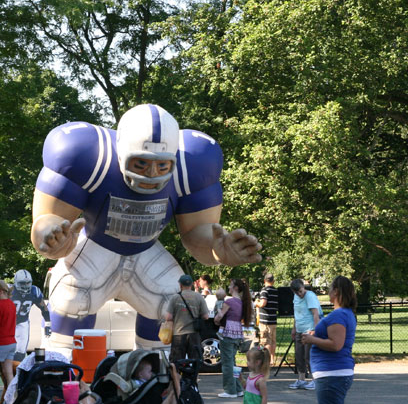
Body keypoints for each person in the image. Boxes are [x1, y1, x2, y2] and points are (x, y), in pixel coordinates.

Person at [30, 103, 262, 350]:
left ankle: (154, 373)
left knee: (169, 298)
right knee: (72, 296)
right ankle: (68, 370)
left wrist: (217, 249)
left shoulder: (193, 163)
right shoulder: (86, 153)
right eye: (141, 164)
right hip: (96, 246)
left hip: (145, 252)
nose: (152, 174)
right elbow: (46, 220)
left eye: (162, 166)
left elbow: (196, 233)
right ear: (121, 152)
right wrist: (53, 238)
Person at [301, 275, 357, 404]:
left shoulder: (338, 316)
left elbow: (336, 345)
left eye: (331, 288)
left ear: (337, 292)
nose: (328, 290)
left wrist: (311, 340)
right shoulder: (343, 314)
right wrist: (315, 335)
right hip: (334, 373)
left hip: (332, 374)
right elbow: (332, 338)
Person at [214, 278, 252, 398]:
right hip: (237, 332)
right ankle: (238, 388)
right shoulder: (241, 302)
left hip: (227, 332)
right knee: (233, 362)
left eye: (230, 286)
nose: (228, 288)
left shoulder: (229, 302)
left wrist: (216, 317)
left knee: (227, 362)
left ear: (235, 288)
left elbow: (219, 317)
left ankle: (230, 390)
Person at [165, 274, 209, 362]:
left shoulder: (175, 298)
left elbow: (168, 317)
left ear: (180, 285)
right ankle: (192, 376)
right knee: (195, 361)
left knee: (176, 362)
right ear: (192, 284)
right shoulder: (199, 297)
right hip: (194, 335)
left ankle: (177, 375)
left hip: (178, 334)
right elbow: (206, 316)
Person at [10, 269, 51, 361]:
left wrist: (48, 323)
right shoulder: (9, 291)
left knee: (21, 351)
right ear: (16, 282)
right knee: (8, 349)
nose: (25, 286)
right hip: (9, 322)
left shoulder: (34, 291)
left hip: (23, 322)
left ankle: (18, 371)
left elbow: (43, 307)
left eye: (27, 283)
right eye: (22, 283)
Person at [289, 278, 322, 390]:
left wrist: (315, 330)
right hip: (299, 329)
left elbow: (315, 314)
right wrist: (294, 328)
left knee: (309, 356)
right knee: (299, 355)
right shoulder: (295, 297)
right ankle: (301, 379)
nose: (300, 294)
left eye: (301, 291)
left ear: (303, 287)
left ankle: (314, 380)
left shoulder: (310, 296)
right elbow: (296, 313)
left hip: (309, 330)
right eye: (297, 292)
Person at [255, 273, 279, 367]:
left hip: (265, 320)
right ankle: (272, 359)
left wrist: (257, 303)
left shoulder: (264, 290)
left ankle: (267, 361)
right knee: (273, 340)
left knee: (265, 340)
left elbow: (263, 303)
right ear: (273, 281)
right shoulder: (276, 291)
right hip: (273, 319)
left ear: (264, 281)